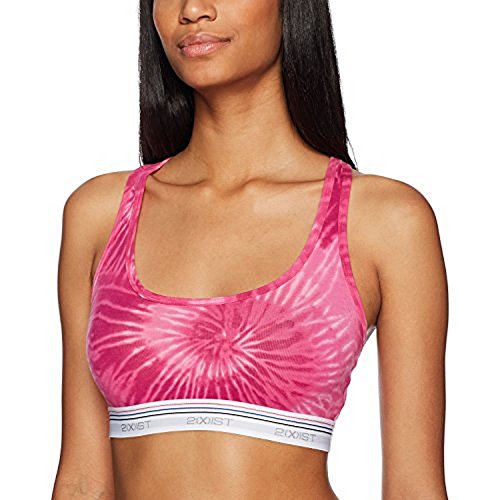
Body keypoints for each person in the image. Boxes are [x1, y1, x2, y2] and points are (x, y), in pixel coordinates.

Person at [52, 1, 449, 499]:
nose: (193, 9)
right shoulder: (101, 214)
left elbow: (414, 488)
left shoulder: (383, 220)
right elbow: (82, 482)